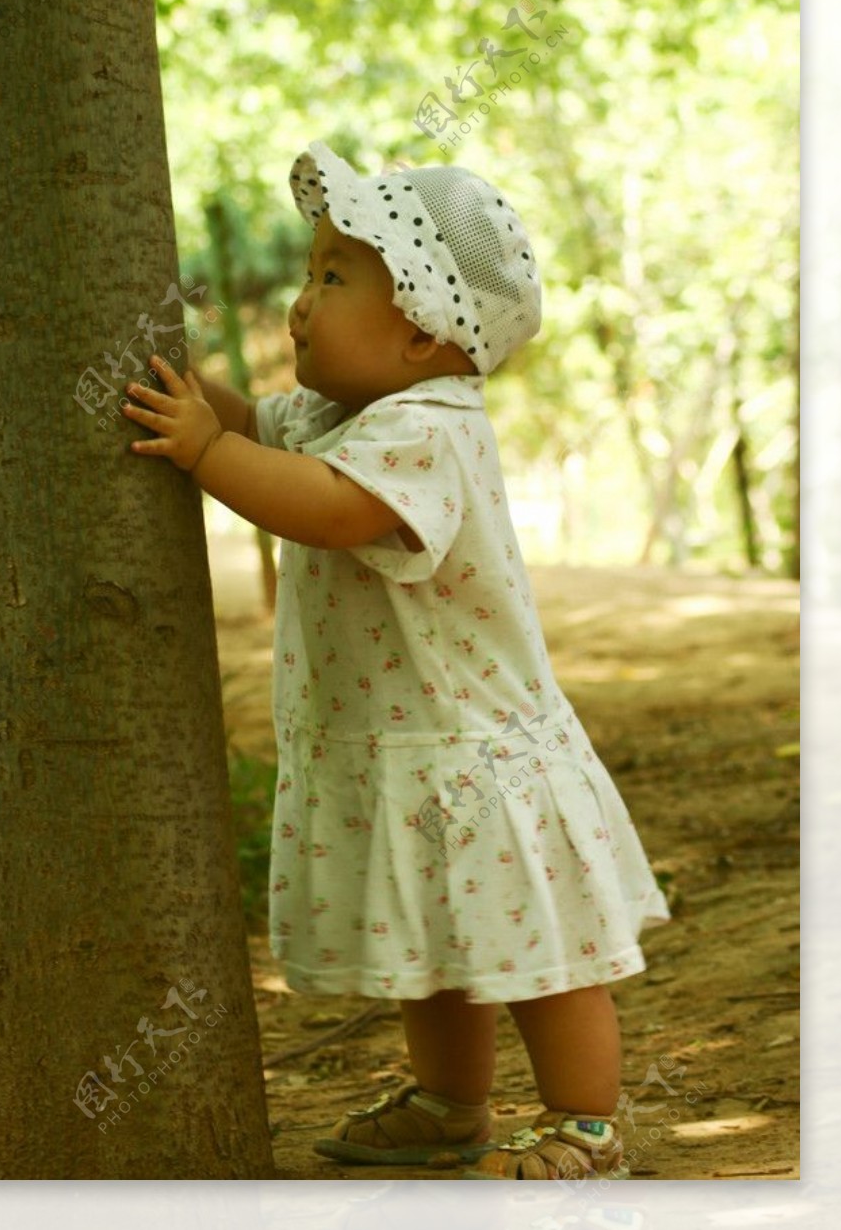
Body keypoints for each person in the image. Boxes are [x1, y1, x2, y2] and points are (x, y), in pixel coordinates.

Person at [123, 140, 670, 1179]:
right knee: (438, 950)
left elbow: (331, 508)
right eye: (310, 271)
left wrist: (203, 451)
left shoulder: (427, 426)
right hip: (408, 744)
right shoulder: (344, 413)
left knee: (536, 957)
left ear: (421, 332)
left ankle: (584, 1122)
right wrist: (194, 396)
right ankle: (451, 1102)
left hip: (478, 752)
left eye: (333, 277)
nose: (299, 301)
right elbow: (261, 430)